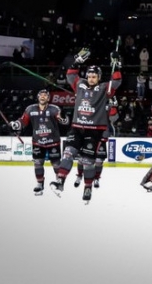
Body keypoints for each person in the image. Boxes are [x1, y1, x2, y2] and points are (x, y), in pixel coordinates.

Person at [49, 47, 121, 203]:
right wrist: (76, 62)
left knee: (88, 162)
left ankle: (87, 187)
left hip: (94, 131)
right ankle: (61, 181)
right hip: (76, 127)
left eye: (94, 76)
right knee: (68, 153)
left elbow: (116, 82)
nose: (91, 78)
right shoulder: (80, 84)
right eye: (89, 75)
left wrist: (117, 64)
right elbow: (70, 76)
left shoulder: (104, 89)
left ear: (99, 77)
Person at [9, 89, 69, 195]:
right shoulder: (30, 109)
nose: (43, 97)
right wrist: (16, 124)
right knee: (37, 163)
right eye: (41, 95)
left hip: (53, 141)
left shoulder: (54, 109)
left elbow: (60, 118)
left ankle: (59, 183)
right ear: (38, 97)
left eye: (45, 95)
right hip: (37, 141)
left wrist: (63, 120)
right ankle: (40, 184)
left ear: (48, 98)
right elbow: (23, 121)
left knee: (56, 164)